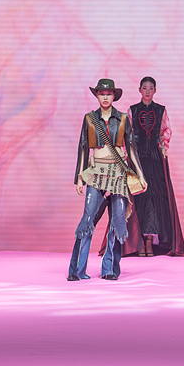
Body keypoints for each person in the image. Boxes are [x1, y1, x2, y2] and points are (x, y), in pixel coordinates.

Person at [70, 78, 145, 281]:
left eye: (109, 94)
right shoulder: (89, 119)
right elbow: (83, 148)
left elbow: (131, 148)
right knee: (87, 220)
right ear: (97, 95)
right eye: (102, 94)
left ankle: (110, 269)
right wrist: (79, 178)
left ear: (114, 96)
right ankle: (76, 271)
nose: (105, 97)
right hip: (96, 172)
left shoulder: (122, 119)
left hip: (118, 172)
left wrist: (140, 174)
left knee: (117, 221)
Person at [125, 76, 184, 257]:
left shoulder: (161, 110)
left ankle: (149, 242)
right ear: (139, 90)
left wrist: (163, 146)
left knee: (154, 198)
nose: (147, 91)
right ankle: (138, 242)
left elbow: (166, 130)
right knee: (138, 198)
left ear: (155, 90)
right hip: (137, 159)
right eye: (144, 87)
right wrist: (129, 154)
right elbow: (126, 133)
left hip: (154, 158)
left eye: (150, 88)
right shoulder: (132, 110)